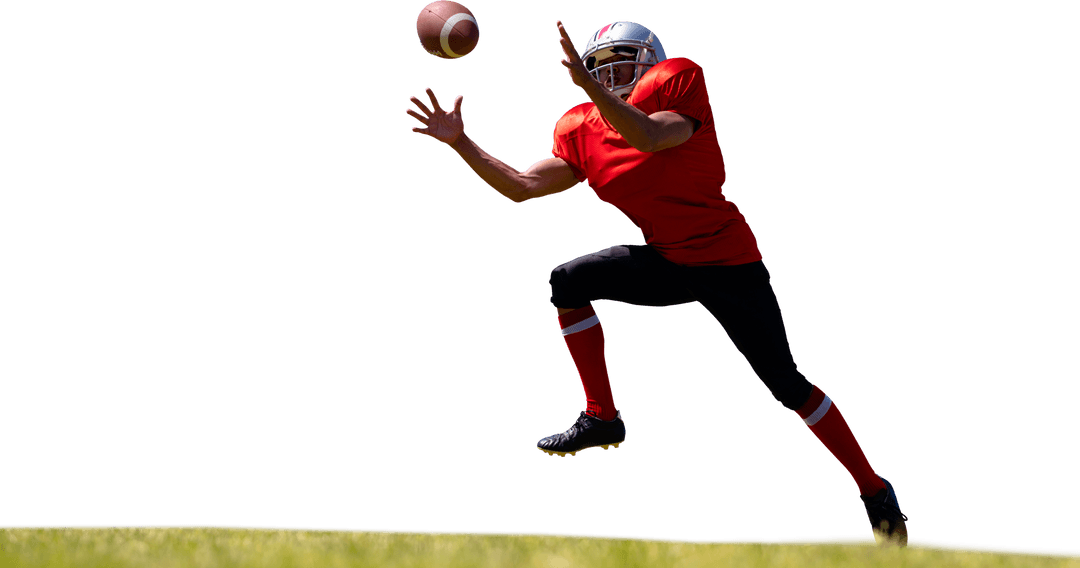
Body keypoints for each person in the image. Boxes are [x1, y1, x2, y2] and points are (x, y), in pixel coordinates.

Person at [405, 20, 910, 545]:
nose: (609, 73)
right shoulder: (581, 127)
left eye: (620, 62)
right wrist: (462, 144)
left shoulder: (679, 81)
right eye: (600, 66)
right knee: (567, 282)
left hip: (728, 261)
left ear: (649, 61)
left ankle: (874, 490)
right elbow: (522, 187)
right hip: (669, 259)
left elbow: (648, 135)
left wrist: (593, 90)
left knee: (788, 386)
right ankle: (602, 418)